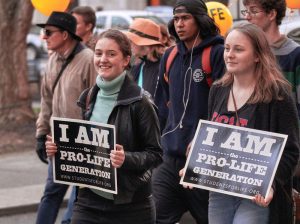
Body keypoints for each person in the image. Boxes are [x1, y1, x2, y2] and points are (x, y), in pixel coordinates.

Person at [45, 29, 163, 224]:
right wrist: (58, 149)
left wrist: (126, 159)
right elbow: (83, 145)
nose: (103, 59)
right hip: (88, 202)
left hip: (131, 206)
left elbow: (156, 154)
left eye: (111, 54)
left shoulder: (141, 102)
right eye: (98, 53)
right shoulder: (88, 97)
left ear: (126, 60)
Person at [207, 22, 299, 224]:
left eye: (238, 49)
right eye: (227, 48)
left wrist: (271, 185)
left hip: (255, 195)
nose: (229, 55)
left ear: (258, 56)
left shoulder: (278, 95)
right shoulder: (218, 90)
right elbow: (210, 139)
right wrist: (194, 165)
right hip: (219, 192)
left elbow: (291, 152)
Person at [152, 0, 225, 223]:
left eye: (185, 18)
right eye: (176, 19)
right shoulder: (170, 55)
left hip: (204, 160)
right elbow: (162, 106)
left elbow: (225, 108)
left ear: (200, 20)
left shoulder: (217, 54)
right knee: (155, 216)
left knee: (209, 219)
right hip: (169, 157)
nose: (179, 24)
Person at [35, 11, 97, 224]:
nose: (44, 37)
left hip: (83, 142)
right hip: (58, 140)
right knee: (51, 193)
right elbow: (46, 100)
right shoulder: (52, 60)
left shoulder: (89, 59)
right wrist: (42, 134)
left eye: (48, 32)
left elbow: (98, 101)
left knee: (79, 199)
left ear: (65, 35)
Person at [242, 0, 300, 191]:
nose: (247, 16)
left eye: (253, 11)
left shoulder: (294, 54)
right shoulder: (246, 54)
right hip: (249, 150)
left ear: (272, 14)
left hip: (285, 152)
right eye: (245, 11)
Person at [125, 18, 164, 98]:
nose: (130, 44)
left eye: (132, 40)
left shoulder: (164, 69)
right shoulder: (137, 67)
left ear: (146, 45)